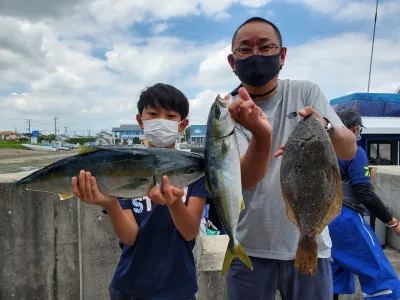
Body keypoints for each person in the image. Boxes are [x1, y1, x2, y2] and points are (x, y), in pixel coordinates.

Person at [71, 83, 271, 299]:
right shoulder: (127, 169)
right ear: (140, 120)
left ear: (182, 124)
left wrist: (174, 203)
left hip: (179, 288)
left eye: (170, 116)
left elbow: (189, 232)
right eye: (153, 114)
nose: (161, 121)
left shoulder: (195, 170)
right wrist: (109, 203)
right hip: (127, 287)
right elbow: (129, 238)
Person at [224, 17, 357, 300]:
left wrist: (327, 127)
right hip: (249, 247)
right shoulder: (227, 111)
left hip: (312, 242)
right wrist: (262, 136)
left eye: (266, 46)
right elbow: (244, 181)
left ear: (282, 55)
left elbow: (348, 150)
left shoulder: (306, 92)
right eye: (245, 49)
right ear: (232, 61)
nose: (256, 55)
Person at [329, 108, 400, 300]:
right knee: (379, 274)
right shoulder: (354, 152)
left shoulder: (323, 149)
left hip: (323, 219)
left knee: (331, 277)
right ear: (352, 129)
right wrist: (392, 222)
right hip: (346, 220)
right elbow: (365, 193)